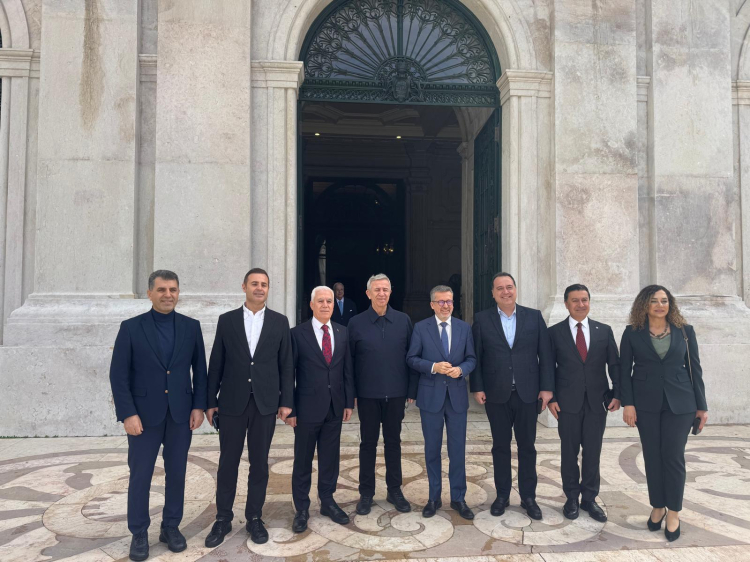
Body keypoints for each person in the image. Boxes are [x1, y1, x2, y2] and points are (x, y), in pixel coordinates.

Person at [109, 270, 207, 562]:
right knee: (141, 475)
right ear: (150, 293)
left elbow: (200, 371)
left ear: (178, 293)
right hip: (143, 417)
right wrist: (128, 413)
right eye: (162, 290)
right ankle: (139, 532)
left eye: (173, 289)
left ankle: (170, 527)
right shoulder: (131, 328)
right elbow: (118, 375)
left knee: (177, 473)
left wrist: (198, 406)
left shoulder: (191, 327)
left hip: (180, 415)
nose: (168, 295)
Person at [204, 268, 294, 547]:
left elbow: (286, 365)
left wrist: (286, 401)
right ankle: (223, 518)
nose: (259, 288)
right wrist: (210, 401)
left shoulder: (280, 321)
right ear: (244, 286)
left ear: (268, 289)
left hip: (265, 404)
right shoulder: (227, 320)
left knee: (260, 464)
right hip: (232, 402)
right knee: (227, 463)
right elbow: (216, 362)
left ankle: (254, 517)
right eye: (254, 283)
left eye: (264, 284)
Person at [620, 285, 708, 542]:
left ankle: (674, 512)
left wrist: (701, 407)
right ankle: (658, 506)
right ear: (644, 305)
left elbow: (695, 369)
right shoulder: (632, 333)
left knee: (673, 456)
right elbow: (624, 371)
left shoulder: (685, 331)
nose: (660, 305)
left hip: (681, 403)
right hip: (645, 404)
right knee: (652, 456)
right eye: (654, 301)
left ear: (670, 304)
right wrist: (628, 404)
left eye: (664, 301)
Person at [470, 272, 553, 521]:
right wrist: (477, 387)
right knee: (500, 446)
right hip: (496, 394)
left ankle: (529, 497)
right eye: (500, 288)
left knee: (527, 447)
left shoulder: (534, 316)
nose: (505, 292)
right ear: (493, 293)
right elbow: (477, 356)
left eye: (509, 287)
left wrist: (547, 388)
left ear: (515, 289)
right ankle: (502, 495)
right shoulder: (482, 319)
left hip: (528, 393)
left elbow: (545, 355)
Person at [547, 284, 620, 522]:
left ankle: (589, 498)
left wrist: (617, 394)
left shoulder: (604, 330)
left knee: (593, 452)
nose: (581, 305)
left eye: (584, 300)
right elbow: (547, 367)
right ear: (566, 304)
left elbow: (615, 365)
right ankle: (571, 498)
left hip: (597, 403)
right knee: (569, 453)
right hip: (566, 403)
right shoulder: (554, 332)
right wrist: (552, 398)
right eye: (575, 300)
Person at [285, 286, 355, 533]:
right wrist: (290, 408)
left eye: (329, 301)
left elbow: (347, 370)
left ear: (334, 305)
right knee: (303, 460)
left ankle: (327, 501)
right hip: (306, 409)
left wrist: (348, 402)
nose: (326, 305)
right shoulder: (297, 334)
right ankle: (302, 508)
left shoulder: (342, 332)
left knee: (330, 459)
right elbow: (289, 373)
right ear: (312, 304)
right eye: (321, 301)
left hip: (334, 407)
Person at [348, 274, 418, 515]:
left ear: (390, 292)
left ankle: (394, 490)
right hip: (367, 395)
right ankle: (366, 493)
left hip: (396, 393)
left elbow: (412, 356)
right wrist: (351, 393)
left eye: (385, 289)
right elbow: (349, 362)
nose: (381, 293)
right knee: (368, 444)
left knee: (393, 443)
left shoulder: (403, 320)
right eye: (377, 289)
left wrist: (411, 389)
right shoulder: (356, 323)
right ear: (368, 293)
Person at [406, 285, 476, 520]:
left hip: (457, 398)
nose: (446, 306)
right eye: (441, 302)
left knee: (457, 451)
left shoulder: (464, 328)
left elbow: (472, 358)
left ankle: (458, 498)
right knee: (432, 450)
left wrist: (461, 369)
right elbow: (411, 358)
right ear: (432, 305)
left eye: (449, 301)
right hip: (431, 398)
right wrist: (433, 367)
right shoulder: (421, 328)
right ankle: (433, 498)